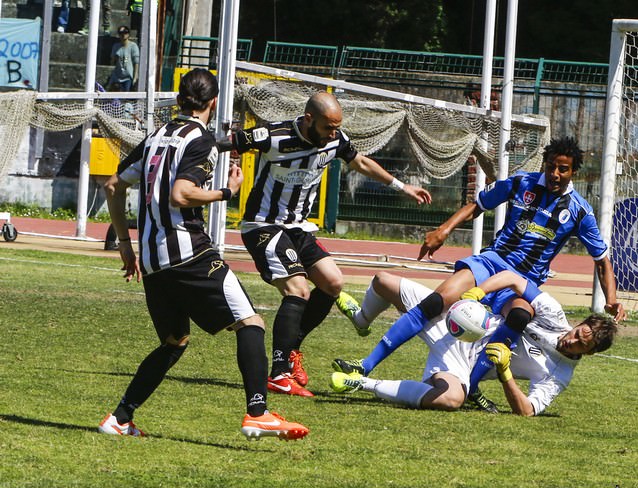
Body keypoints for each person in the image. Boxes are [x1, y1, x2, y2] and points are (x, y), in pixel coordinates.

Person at [333, 136, 626, 409]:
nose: (556, 174)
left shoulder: (579, 211)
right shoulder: (520, 183)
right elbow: (478, 205)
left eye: (563, 170)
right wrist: (444, 230)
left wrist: (610, 299)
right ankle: (366, 364)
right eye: (551, 167)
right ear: (545, 164)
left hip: (523, 282)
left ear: (573, 172)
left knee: (520, 316)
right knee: (438, 300)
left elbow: (601, 260)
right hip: (490, 262)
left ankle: (471, 385)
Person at [98, 68, 308, 440]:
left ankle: (120, 418)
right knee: (251, 321)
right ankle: (257, 413)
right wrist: (226, 192)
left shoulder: (157, 136)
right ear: (212, 102)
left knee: (174, 341)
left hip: (151, 260)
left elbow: (113, 185)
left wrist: (126, 245)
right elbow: (182, 193)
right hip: (188, 253)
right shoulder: (201, 140)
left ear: (180, 99)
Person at [218, 91, 432, 397]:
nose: (333, 134)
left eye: (336, 127)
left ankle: (291, 352)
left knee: (333, 283)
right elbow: (226, 142)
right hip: (264, 225)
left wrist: (401, 186)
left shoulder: (335, 140)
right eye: (328, 127)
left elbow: (361, 162)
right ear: (309, 119)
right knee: (299, 290)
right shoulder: (275, 135)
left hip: (300, 229)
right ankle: (278, 373)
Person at [330, 271, 617, 415]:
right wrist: (477, 293)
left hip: (462, 364)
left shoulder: (559, 374)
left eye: (580, 344)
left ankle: (361, 383)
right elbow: (512, 279)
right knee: (383, 281)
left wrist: (505, 373)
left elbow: (527, 410)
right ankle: (362, 319)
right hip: (460, 320)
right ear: (580, 324)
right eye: (578, 332)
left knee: (451, 399)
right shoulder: (555, 315)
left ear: (589, 353)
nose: (571, 340)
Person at [107, 26, 139, 91]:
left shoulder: (133, 46)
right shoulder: (116, 46)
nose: (123, 35)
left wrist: (135, 77)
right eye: (121, 33)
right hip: (117, 76)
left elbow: (136, 62)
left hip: (128, 77)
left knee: (126, 95)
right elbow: (112, 62)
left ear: (128, 34)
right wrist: (114, 58)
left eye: (125, 32)